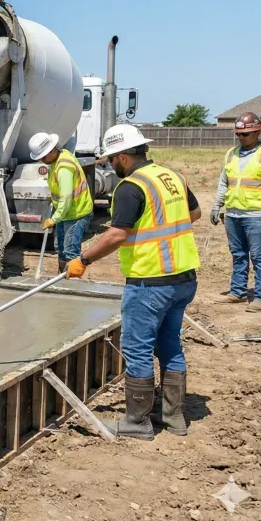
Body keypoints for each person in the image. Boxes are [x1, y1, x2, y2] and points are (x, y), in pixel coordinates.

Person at [65, 124, 201, 440]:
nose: (111, 164)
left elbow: (116, 234)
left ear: (123, 156)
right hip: (183, 278)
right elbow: (193, 213)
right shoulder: (171, 177)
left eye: (112, 158)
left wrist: (82, 260)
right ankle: (174, 417)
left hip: (150, 281)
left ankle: (138, 422)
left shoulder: (130, 186)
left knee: (137, 348)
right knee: (169, 344)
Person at [210, 112, 261, 313]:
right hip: (233, 214)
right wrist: (217, 205)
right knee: (238, 254)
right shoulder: (231, 153)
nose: (241, 137)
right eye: (238, 134)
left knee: (258, 256)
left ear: (257, 132)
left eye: (245, 134)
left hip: (257, 215)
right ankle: (238, 291)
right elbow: (224, 182)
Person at [28, 132, 95, 274]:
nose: (42, 161)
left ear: (52, 150)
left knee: (70, 250)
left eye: (43, 157)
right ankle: (63, 276)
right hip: (66, 213)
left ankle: (71, 283)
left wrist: (53, 219)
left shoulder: (64, 168)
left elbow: (66, 197)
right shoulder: (58, 157)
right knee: (60, 247)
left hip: (76, 213)